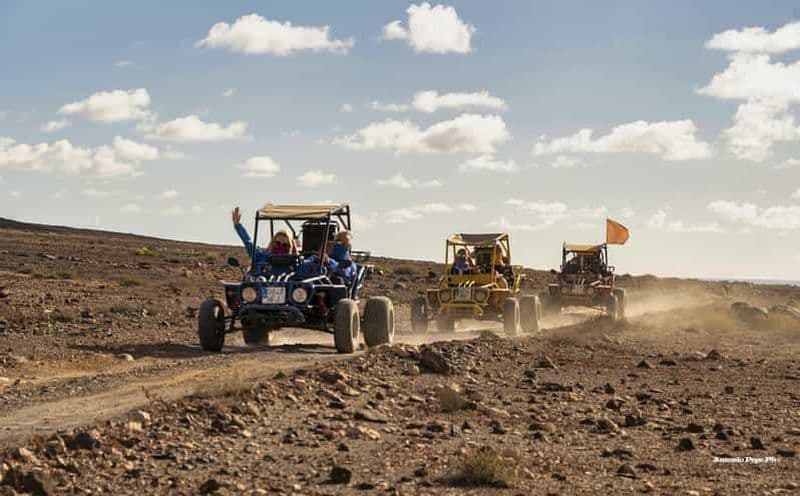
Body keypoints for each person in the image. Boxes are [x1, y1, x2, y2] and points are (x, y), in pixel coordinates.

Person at [231, 207, 297, 270]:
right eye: (278, 243)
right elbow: (248, 242)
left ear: (289, 247)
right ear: (272, 243)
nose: (280, 247)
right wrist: (237, 225)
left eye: (284, 245)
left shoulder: (294, 263)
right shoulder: (261, 257)